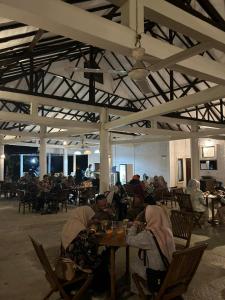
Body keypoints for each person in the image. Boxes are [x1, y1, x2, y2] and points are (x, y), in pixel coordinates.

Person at [126, 205, 175, 295]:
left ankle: (143, 292)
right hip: (170, 269)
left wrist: (135, 224)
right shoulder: (167, 230)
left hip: (157, 275)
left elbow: (129, 240)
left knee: (133, 265)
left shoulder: (148, 235)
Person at [61, 206, 110, 294]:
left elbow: (82, 242)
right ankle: (99, 290)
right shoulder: (80, 230)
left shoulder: (71, 223)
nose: (91, 221)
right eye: (90, 218)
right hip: (76, 262)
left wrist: (91, 232)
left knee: (101, 256)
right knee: (103, 258)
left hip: (67, 258)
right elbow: (90, 245)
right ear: (85, 216)